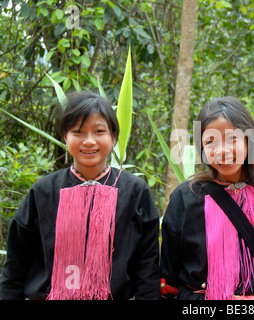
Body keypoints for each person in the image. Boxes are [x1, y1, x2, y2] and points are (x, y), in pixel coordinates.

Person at [0, 91, 160, 300]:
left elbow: (147, 267)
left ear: (113, 137)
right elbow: (15, 266)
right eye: (78, 132)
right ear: (65, 136)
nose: (89, 141)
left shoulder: (135, 192)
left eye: (99, 131)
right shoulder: (43, 192)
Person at [160, 96, 254, 300]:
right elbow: (168, 274)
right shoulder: (186, 197)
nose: (222, 151)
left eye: (232, 139)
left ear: (248, 141)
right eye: (211, 142)